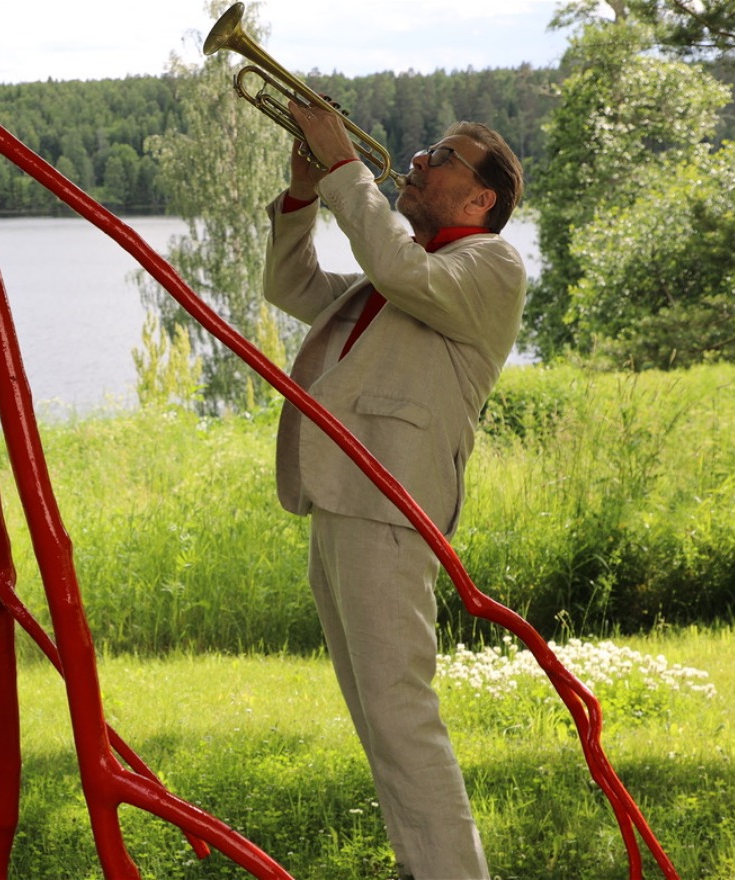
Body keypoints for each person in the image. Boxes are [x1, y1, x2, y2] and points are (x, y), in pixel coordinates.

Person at [263, 100, 526, 880]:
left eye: (440, 156)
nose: (416, 160)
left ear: (483, 200)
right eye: (425, 148)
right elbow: (292, 284)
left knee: (402, 716)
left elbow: (398, 269)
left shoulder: (488, 266)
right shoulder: (409, 273)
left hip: (389, 503)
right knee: (380, 720)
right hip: (346, 492)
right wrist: (303, 197)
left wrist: (345, 166)